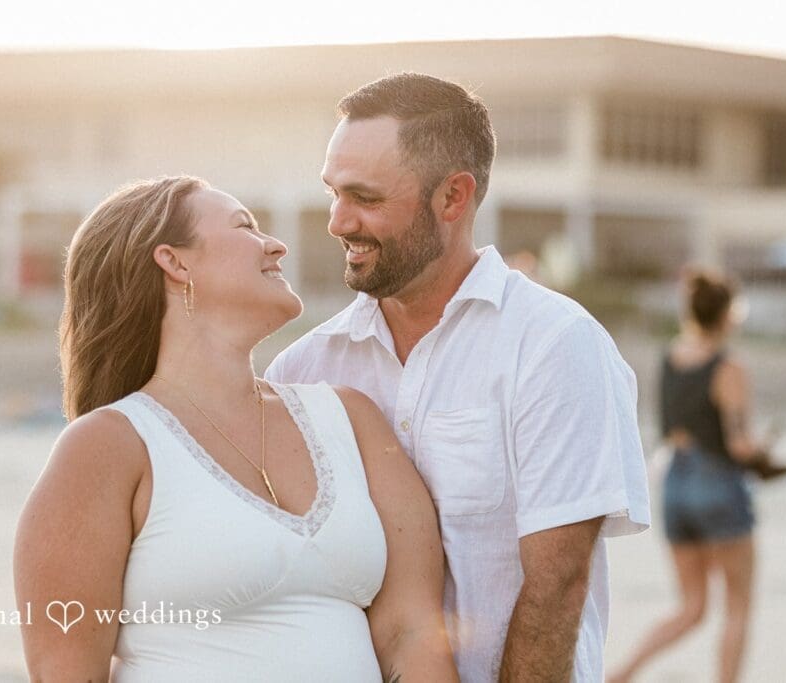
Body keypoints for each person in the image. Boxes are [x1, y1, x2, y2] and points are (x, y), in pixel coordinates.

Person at [264, 73, 651, 682]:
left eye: (364, 197)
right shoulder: (303, 369)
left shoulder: (554, 346)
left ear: (453, 198)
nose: (337, 221)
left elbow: (556, 587)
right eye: (333, 192)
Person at [13, 176, 458, 682]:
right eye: (245, 226)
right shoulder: (107, 447)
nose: (276, 244)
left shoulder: (351, 419)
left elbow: (413, 634)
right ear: (175, 262)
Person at [608, 269, 764, 683]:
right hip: (716, 482)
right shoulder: (727, 364)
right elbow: (737, 444)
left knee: (692, 607)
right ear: (728, 315)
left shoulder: (671, 356)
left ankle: (619, 674)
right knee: (738, 605)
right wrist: (764, 456)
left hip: (675, 483)